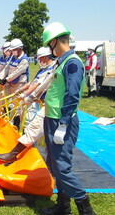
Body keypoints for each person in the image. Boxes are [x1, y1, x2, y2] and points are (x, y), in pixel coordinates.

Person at [41, 22, 96, 215]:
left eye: (50, 45)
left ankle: (85, 207)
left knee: (62, 167)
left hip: (61, 121)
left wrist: (63, 124)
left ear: (55, 41)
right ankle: (63, 206)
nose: (49, 49)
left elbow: (72, 95)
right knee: (56, 164)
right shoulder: (63, 61)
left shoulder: (72, 63)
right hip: (53, 118)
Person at [0, 47, 56, 163]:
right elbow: (32, 82)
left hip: (43, 105)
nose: (39, 61)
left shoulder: (51, 69)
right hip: (37, 103)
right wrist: (22, 91)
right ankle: (28, 154)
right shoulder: (43, 69)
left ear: (46, 57)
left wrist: (27, 96)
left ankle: (39, 158)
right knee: (32, 129)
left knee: (37, 131)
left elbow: (39, 85)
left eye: (41, 59)